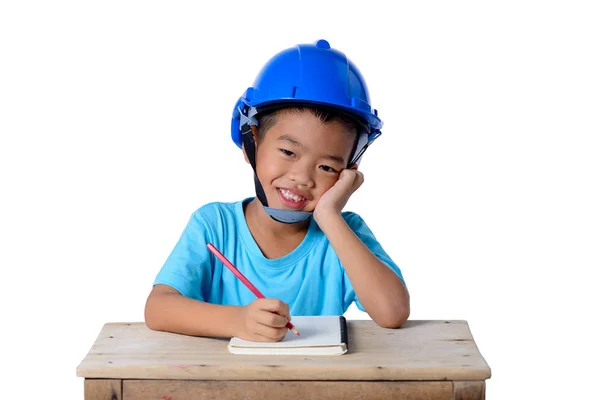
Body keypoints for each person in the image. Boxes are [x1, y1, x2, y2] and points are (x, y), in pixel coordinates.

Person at [144, 39, 410, 342]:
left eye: (326, 167)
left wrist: (329, 216)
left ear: (349, 172)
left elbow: (392, 313)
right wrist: (238, 321)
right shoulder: (214, 225)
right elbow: (158, 308)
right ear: (252, 142)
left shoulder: (344, 234)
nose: (302, 177)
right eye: (288, 152)